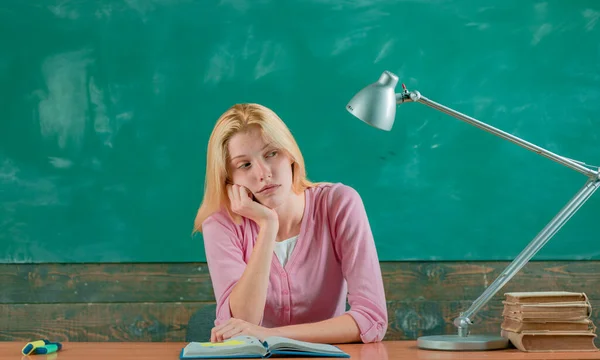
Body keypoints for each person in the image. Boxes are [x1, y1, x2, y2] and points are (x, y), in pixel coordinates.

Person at [193, 103, 387, 344]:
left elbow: (372, 320)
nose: (263, 173)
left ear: (290, 154)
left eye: (271, 153)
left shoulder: (339, 204)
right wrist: (267, 225)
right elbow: (242, 321)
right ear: (229, 179)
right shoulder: (221, 222)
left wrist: (271, 335)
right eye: (245, 165)